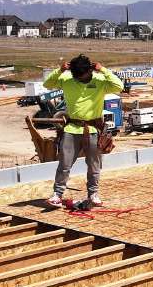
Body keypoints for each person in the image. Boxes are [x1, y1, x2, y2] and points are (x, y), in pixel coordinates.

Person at [43, 55, 123, 209]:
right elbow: (48, 84)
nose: (79, 79)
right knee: (64, 164)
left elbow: (118, 86)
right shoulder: (67, 80)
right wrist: (60, 70)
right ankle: (57, 195)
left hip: (93, 129)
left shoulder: (100, 81)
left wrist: (103, 70)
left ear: (90, 70)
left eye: (82, 76)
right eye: (77, 77)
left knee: (94, 165)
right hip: (72, 129)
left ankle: (93, 194)